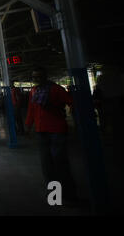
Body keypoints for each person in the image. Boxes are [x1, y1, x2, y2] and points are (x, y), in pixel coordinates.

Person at [25, 66, 78, 202]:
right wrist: (28, 126)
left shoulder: (56, 89)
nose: (36, 79)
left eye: (38, 76)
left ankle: (69, 195)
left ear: (45, 76)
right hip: (41, 131)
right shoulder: (34, 91)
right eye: (34, 77)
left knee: (60, 163)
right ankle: (55, 196)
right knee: (47, 164)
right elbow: (31, 110)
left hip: (57, 131)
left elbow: (72, 102)